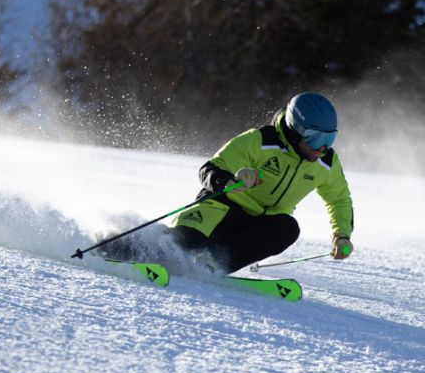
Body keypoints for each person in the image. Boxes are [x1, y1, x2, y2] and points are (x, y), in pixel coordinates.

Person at [102, 92, 354, 274]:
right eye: (315, 138)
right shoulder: (259, 141)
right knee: (180, 244)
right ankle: (115, 248)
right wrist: (231, 180)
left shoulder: (326, 163)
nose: (322, 147)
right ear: (295, 129)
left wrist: (342, 235)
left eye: (330, 139)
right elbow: (208, 170)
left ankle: (211, 265)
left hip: (259, 225)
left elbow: (339, 200)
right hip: (222, 207)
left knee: (287, 228)